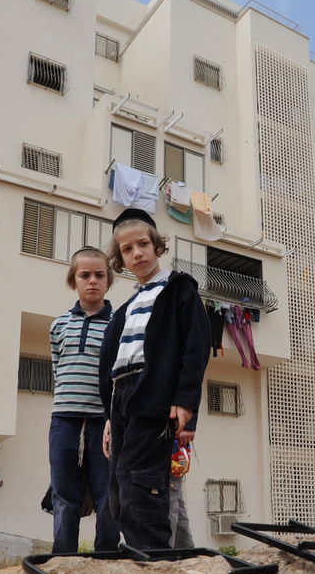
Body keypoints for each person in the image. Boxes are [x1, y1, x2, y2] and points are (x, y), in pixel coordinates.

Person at [99, 208, 211, 551]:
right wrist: (108, 416)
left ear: (157, 246)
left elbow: (196, 346)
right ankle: (158, 553)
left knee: (141, 479)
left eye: (144, 244)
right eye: (128, 249)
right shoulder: (126, 308)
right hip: (122, 396)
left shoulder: (178, 289)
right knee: (119, 483)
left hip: (154, 394)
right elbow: (113, 363)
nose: (137, 253)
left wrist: (185, 400)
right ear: (121, 259)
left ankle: (151, 555)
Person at [48, 247, 120, 554]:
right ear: (73, 281)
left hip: (103, 422)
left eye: (99, 275)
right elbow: (57, 368)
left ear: (108, 280)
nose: (92, 281)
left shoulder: (119, 324)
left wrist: (113, 418)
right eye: (84, 275)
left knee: (107, 491)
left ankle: (106, 554)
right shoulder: (59, 325)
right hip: (63, 418)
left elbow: (121, 374)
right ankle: (63, 557)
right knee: (64, 491)